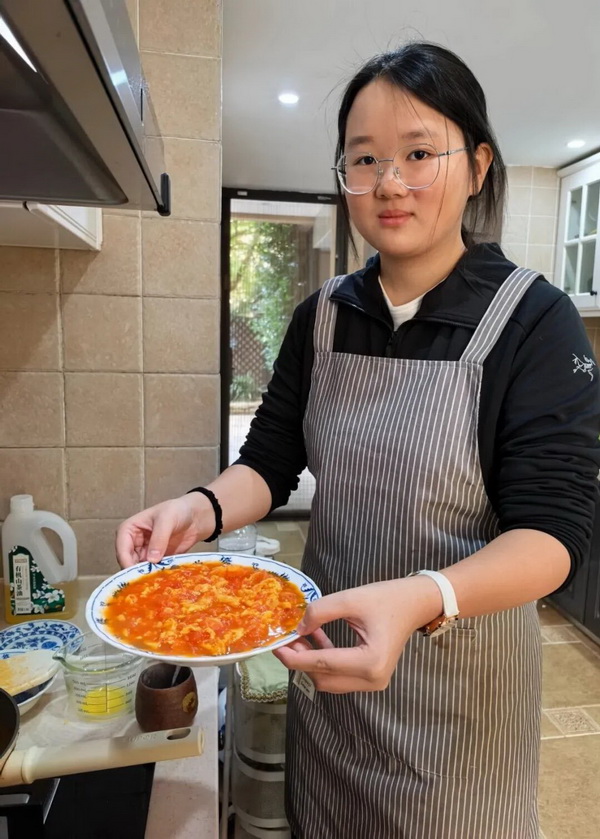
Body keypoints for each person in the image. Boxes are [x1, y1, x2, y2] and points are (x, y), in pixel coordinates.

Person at [116, 42, 600, 839]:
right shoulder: (323, 317)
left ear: (477, 166)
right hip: (330, 680)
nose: (389, 183)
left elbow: (552, 537)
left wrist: (421, 597)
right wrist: (199, 508)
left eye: (419, 154)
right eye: (365, 158)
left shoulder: (534, 322)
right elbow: (269, 462)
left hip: (459, 709)